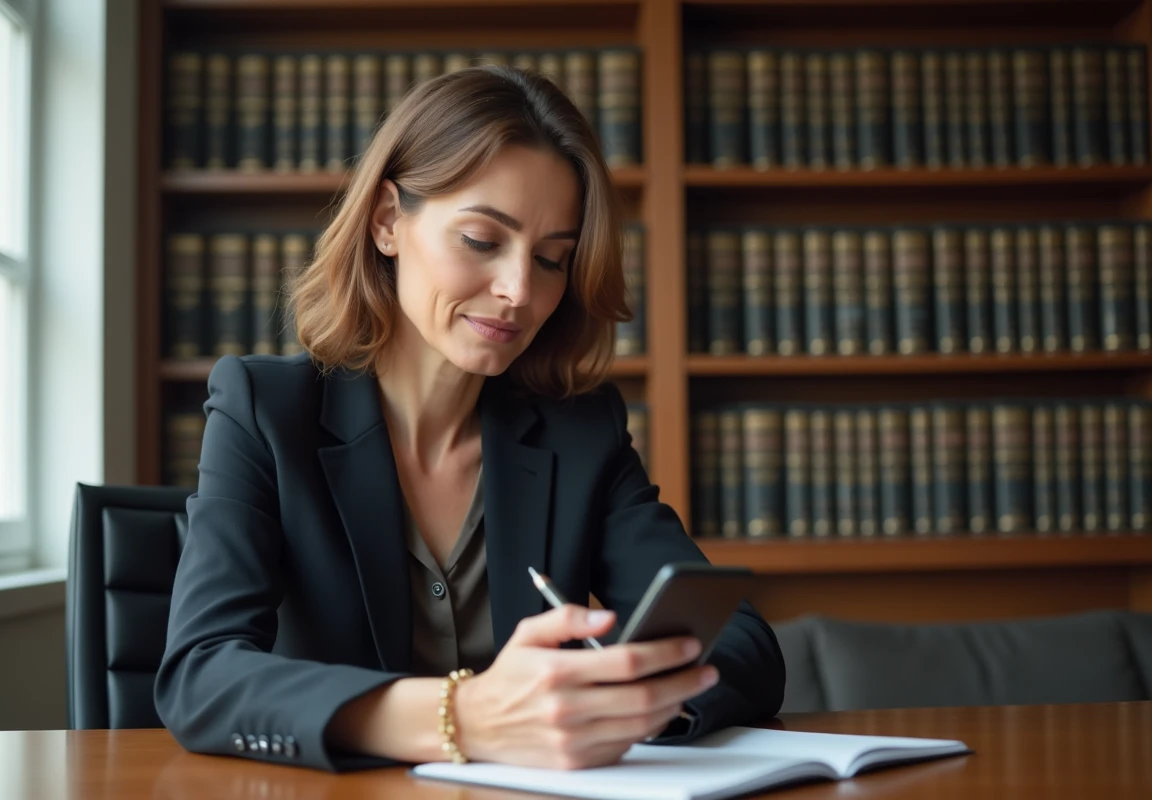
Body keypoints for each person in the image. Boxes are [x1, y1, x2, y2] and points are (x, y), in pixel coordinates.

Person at [154, 65, 785, 774]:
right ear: (388, 222)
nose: (520, 291)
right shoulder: (265, 412)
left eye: (552, 259)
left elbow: (742, 647)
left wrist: (602, 707)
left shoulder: (581, 433)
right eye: (483, 241)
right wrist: (465, 718)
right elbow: (201, 676)